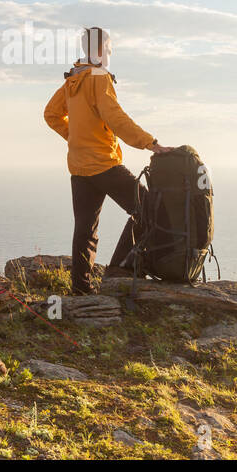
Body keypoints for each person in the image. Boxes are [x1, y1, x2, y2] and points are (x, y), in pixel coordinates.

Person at [43, 27, 173, 295]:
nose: (110, 55)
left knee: (85, 230)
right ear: (101, 50)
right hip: (104, 164)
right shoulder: (99, 77)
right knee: (148, 210)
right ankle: (120, 270)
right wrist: (151, 143)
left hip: (79, 167)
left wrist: (75, 138)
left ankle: (81, 290)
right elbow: (115, 117)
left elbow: (51, 114)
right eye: (110, 50)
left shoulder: (72, 79)